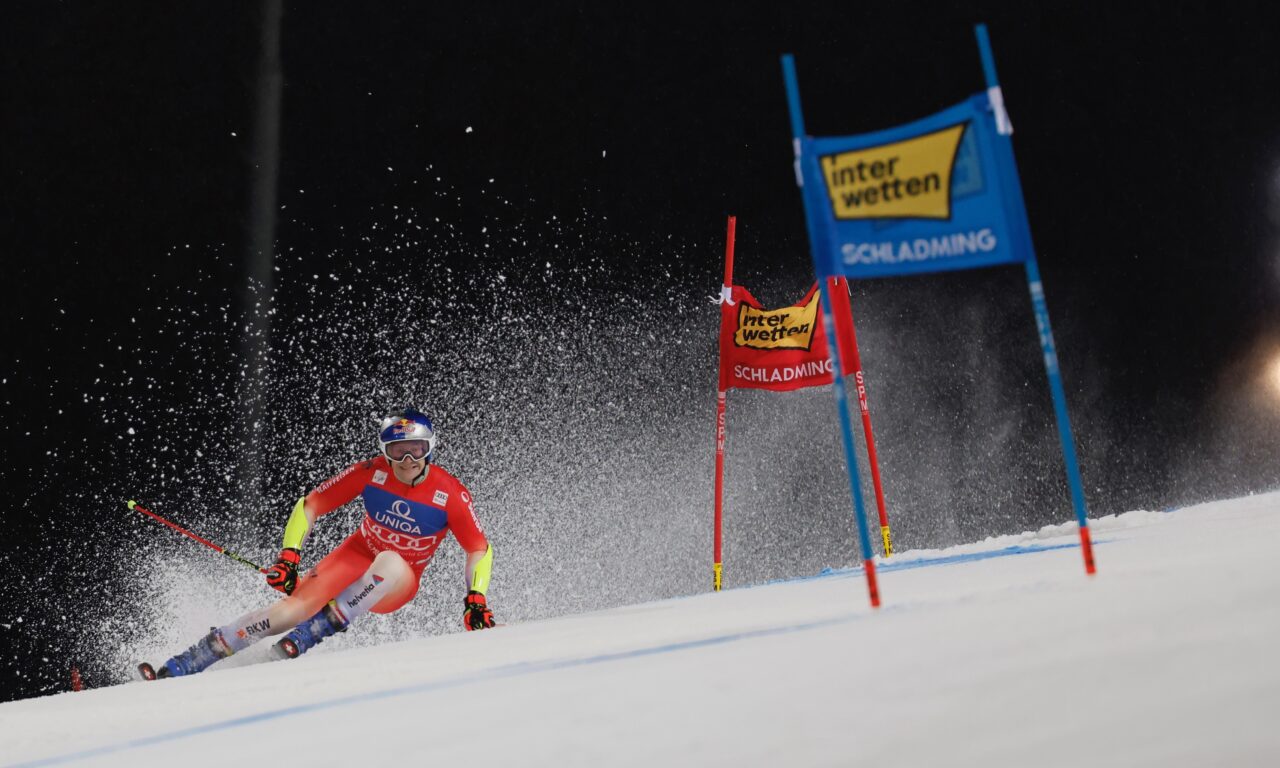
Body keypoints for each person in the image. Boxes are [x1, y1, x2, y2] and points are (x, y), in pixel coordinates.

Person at [142, 407, 496, 679]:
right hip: (356, 556)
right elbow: (310, 505)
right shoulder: (370, 472)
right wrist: (288, 558)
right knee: (289, 611)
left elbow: (478, 547)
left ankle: (309, 636)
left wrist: (475, 599)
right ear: (385, 452)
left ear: (429, 450)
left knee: (388, 560)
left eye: (416, 450)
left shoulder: (449, 493)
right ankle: (184, 664)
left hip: (398, 580)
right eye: (398, 450)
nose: (408, 460)